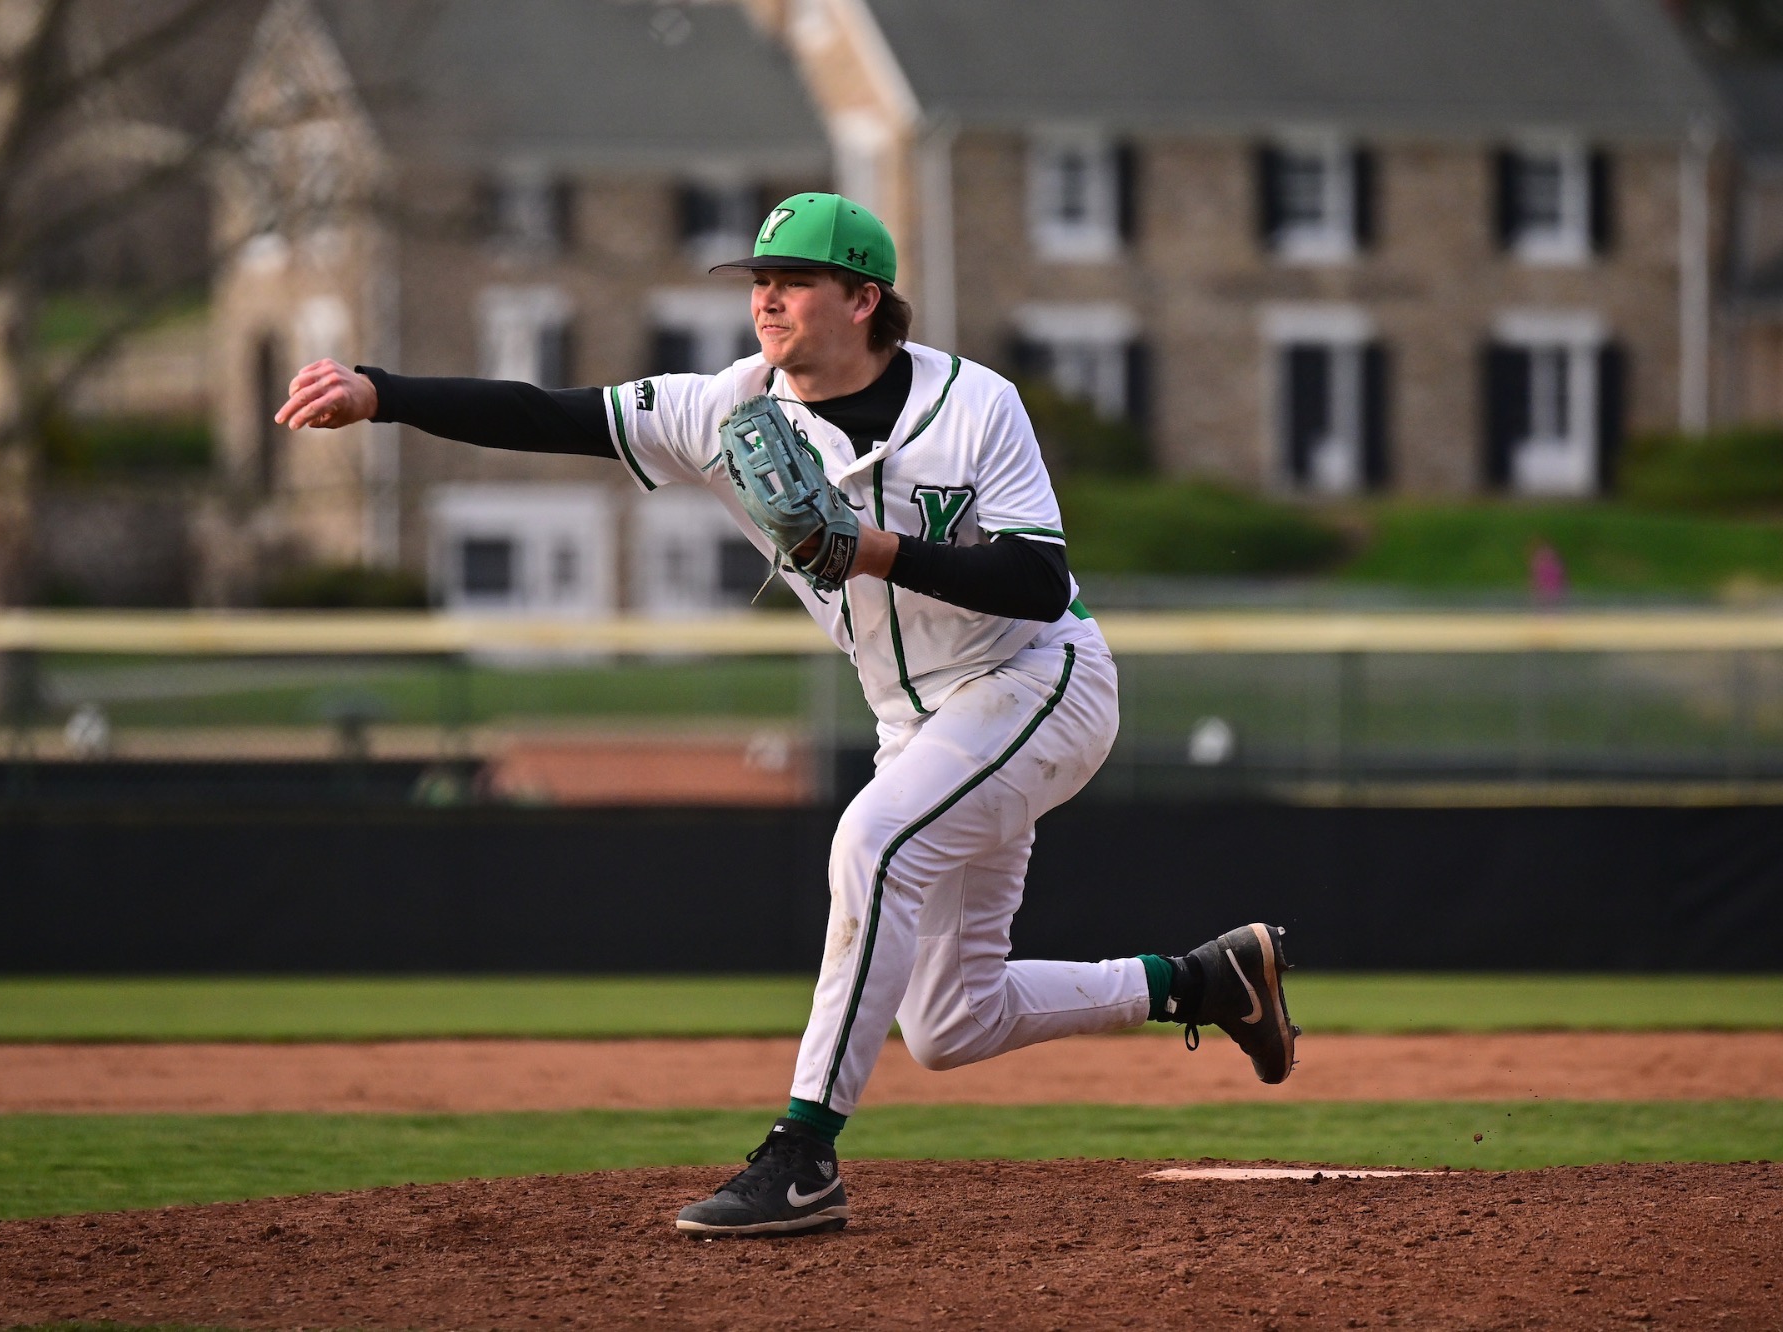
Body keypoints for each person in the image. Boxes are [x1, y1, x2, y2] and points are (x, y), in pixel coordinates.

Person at [276, 193, 1298, 1238]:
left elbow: (1036, 582)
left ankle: (801, 1154)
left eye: (792, 280)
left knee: (870, 840)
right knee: (952, 1022)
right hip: (917, 721)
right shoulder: (723, 410)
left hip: (1040, 684)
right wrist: (379, 392)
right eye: (757, 280)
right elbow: (552, 412)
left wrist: (872, 549)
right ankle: (1201, 982)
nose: (764, 298)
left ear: (862, 299)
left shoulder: (975, 403)